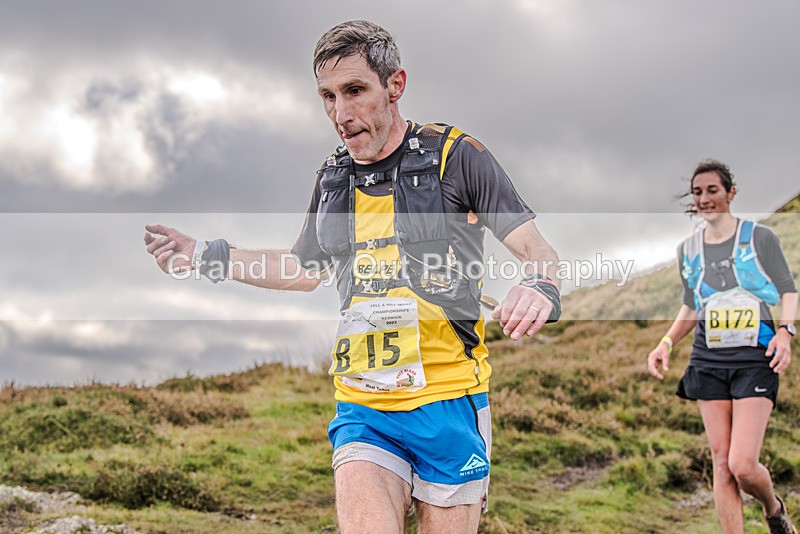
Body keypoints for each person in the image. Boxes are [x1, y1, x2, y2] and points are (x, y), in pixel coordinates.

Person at [144, 20, 560, 533]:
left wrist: (537, 286)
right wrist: (209, 254)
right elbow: (301, 270)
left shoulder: (456, 157)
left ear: (395, 85)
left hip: (450, 403)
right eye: (327, 97)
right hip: (365, 407)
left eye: (355, 91)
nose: (341, 114)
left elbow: (538, 252)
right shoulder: (333, 177)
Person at [647, 159, 798, 534]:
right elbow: (691, 304)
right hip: (708, 359)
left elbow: (787, 289)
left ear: (731, 193)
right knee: (720, 463)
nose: (704, 198)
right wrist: (666, 342)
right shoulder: (689, 249)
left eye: (712, 190)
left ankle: (773, 507)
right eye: (697, 192)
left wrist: (785, 332)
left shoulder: (759, 238)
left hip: (755, 358)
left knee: (743, 464)